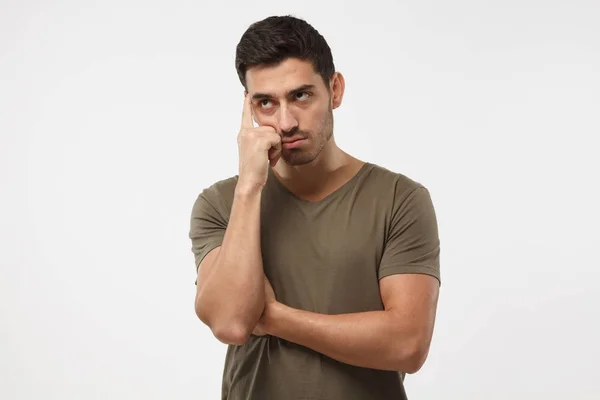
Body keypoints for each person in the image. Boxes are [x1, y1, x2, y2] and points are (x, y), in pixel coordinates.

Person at [189, 15, 441, 400]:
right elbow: (231, 322)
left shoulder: (399, 199)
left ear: (335, 89)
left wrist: (274, 318)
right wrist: (249, 187)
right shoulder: (222, 203)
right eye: (266, 103)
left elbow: (407, 344)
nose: (285, 122)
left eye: (301, 96)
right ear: (248, 108)